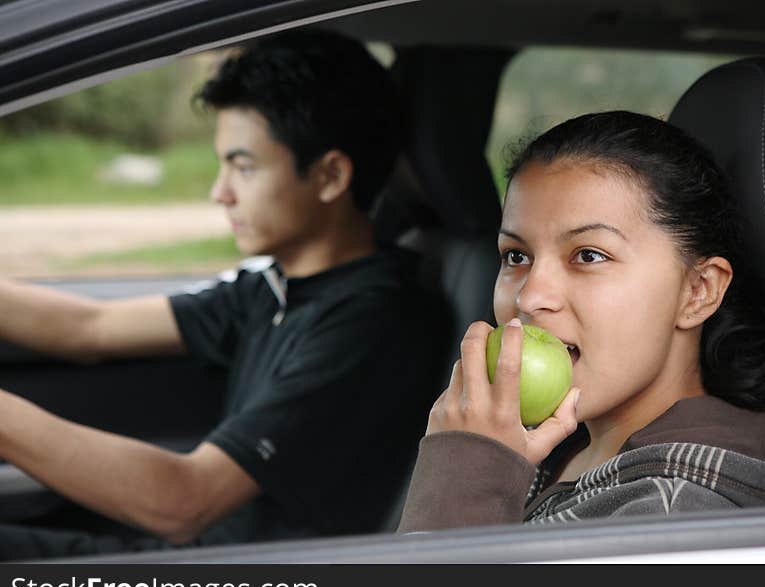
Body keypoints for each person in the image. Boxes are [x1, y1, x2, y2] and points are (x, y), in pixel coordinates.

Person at [0, 29, 447, 559]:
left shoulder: (374, 322)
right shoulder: (273, 287)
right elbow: (86, 329)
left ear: (330, 175)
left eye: (244, 166)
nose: (220, 192)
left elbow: (182, 501)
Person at [398, 111, 765, 532]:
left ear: (698, 291)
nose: (530, 297)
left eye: (589, 255)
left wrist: (466, 469)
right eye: (516, 256)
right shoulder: (550, 444)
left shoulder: (672, 521)